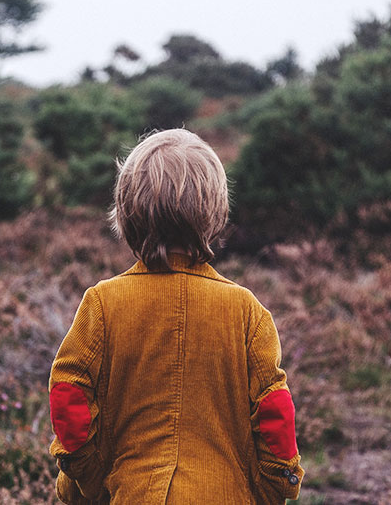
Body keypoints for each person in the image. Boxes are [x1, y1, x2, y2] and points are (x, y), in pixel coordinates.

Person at [48, 129, 304, 504]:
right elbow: (274, 413)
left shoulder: (102, 303)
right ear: (216, 212)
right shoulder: (247, 311)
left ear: (125, 212)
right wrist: (273, 488)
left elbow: (69, 396)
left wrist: (89, 477)